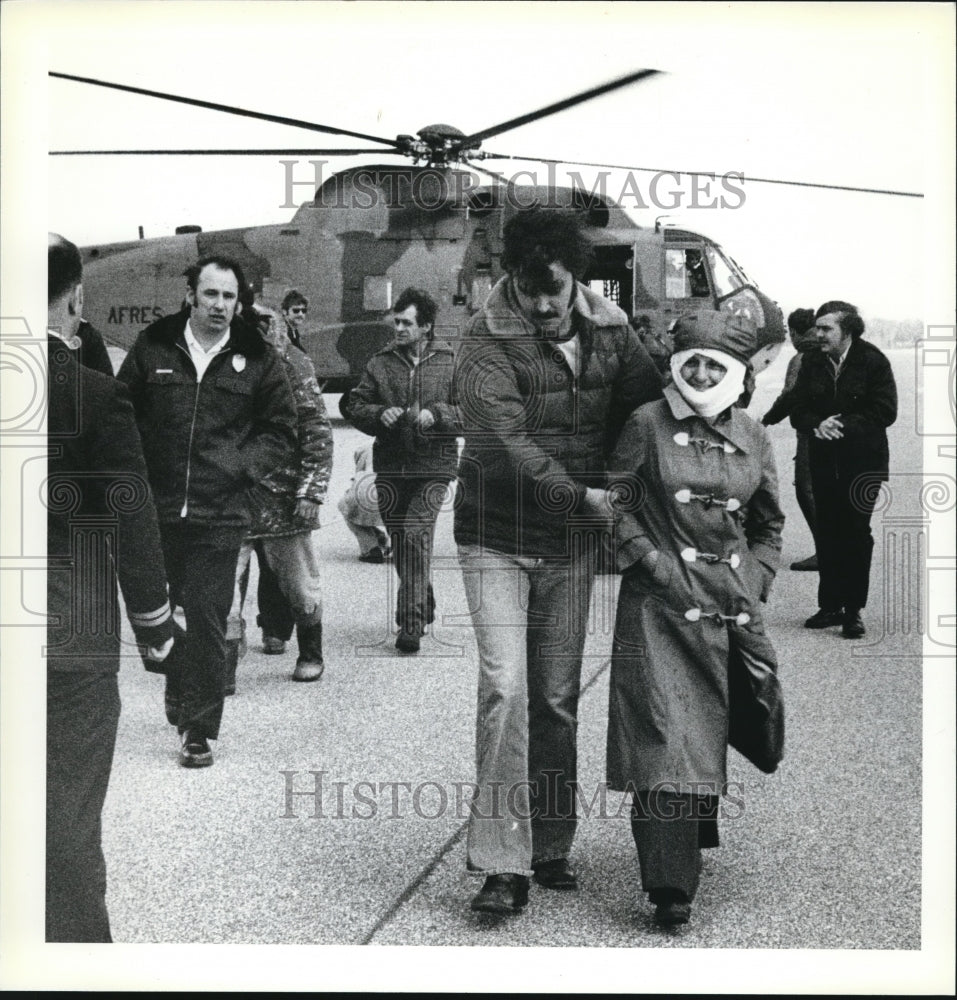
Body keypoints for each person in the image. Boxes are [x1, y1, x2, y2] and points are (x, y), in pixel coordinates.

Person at [452, 208, 662, 915]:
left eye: (556, 289)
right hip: (495, 534)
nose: (542, 305)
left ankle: (548, 846)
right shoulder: (484, 336)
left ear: (578, 278)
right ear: (510, 275)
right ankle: (501, 863)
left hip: (570, 544)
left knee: (554, 698)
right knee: (505, 688)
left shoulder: (611, 330)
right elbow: (503, 443)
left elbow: (646, 412)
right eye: (529, 288)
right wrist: (584, 495)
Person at [606, 310, 785, 926]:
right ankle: (669, 886)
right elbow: (616, 505)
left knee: (702, 732)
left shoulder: (755, 435)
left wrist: (755, 580)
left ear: (735, 373)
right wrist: (651, 563)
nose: (701, 372)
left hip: (730, 608)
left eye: (715, 364)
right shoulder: (645, 424)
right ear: (677, 366)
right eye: (692, 362)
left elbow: (769, 525)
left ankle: (684, 846)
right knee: (662, 736)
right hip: (659, 607)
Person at [117, 255, 297, 767]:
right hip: (158, 508)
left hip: (221, 514)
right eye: (211, 294)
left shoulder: (256, 356)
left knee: (208, 614)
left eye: (230, 297)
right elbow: (123, 414)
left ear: (240, 303)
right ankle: (180, 691)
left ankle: (198, 730)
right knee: (164, 615)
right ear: (191, 295)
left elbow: (281, 430)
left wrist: (242, 468)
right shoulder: (155, 345)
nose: (220, 306)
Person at [46, 234, 174, 941]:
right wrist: (155, 626)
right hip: (69, 645)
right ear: (75, 299)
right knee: (64, 822)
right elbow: (133, 517)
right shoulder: (94, 395)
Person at [346, 288, 460, 654]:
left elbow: (472, 411)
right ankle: (422, 600)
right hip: (392, 468)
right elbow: (355, 404)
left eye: (406, 322)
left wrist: (439, 414)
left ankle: (409, 623)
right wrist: (380, 414)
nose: (398, 328)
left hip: (434, 468)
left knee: (414, 535)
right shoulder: (380, 363)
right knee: (402, 539)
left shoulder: (450, 362)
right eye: (396, 321)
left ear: (426, 326)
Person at [226, 306, 334, 684]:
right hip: (233, 497)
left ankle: (310, 651)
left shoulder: (292, 363)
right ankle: (223, 667)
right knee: (223, 588)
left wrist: (311, 491)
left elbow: (316, 429)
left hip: (285, 500)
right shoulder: (225, 360)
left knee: (301, 585)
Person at [789, 301, 897, 639]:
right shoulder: (812, 362)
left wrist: (841, 426)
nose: (817, 334)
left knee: (855, 533)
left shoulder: (873, 360)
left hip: (864, 465)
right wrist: (816, 424)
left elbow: (885, 411)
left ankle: (853, 611)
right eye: (817, 328)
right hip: (825, 462)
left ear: (847, 331)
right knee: (829, 532)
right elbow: (798, 408)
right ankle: (830, 606)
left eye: (826, 329)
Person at [761, 307, 819, 570]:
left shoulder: (802, 357)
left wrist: (767, 419)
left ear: (794, 333)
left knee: (806, 491)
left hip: (810, 432)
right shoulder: (827, 350)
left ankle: (825, 552)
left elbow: (790, 395)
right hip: (831, 430)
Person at [337, 438, 392, 563]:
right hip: (395, 493)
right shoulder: (401, 445)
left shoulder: (365, 448)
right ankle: (395, 544)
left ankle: (370, 548)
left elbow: (359, 476)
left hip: (369, 492)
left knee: (345, 505)